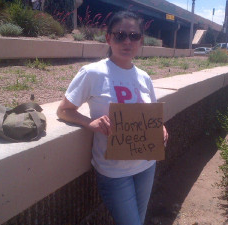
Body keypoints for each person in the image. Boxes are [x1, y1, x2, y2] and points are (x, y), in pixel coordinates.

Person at [57, 10, 168, 225]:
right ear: (108, 38)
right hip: (114, 172)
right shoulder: (92, 73)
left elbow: (150, 115)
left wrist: (160, 128)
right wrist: (90, 123)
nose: (127, 41)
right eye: (120, 35)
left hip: (146, 165)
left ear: (141, 40)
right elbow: (63, 110)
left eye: (134, 36)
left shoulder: (144, 77)